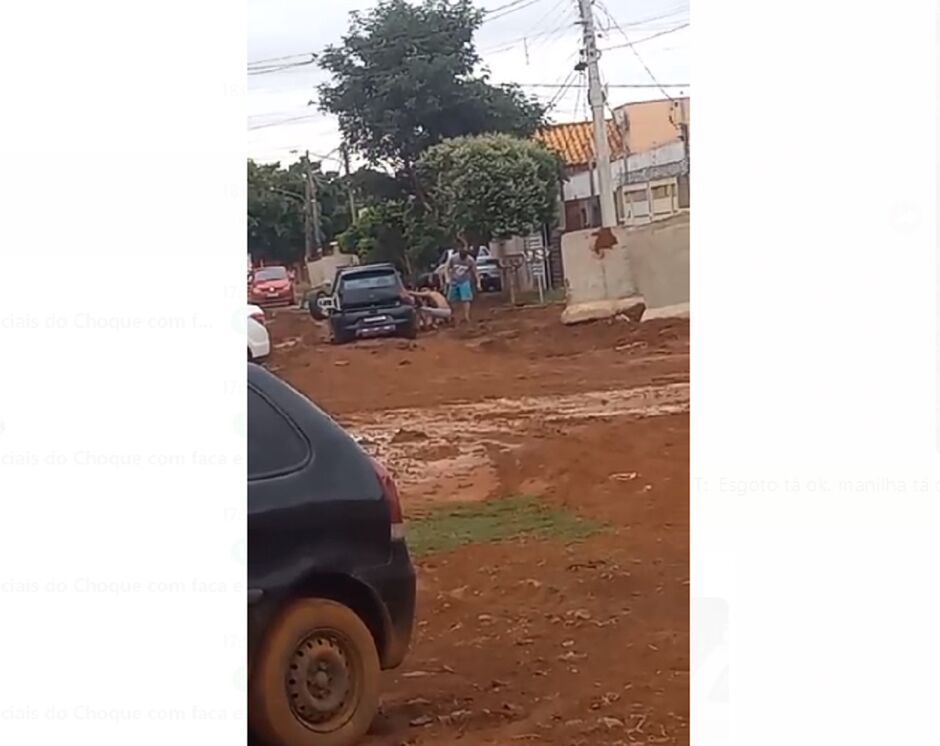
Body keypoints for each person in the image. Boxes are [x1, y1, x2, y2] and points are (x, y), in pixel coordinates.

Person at [445, 247, 479, 325]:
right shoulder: (453, 258)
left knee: (466, 299)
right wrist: (447, 278)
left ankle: (466, 316)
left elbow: (475, 272)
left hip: (465, 281)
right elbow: (446, 268)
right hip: (454, 280)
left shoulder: (470, 260)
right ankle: (455, 316)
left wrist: (478, 283)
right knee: (452, 299)